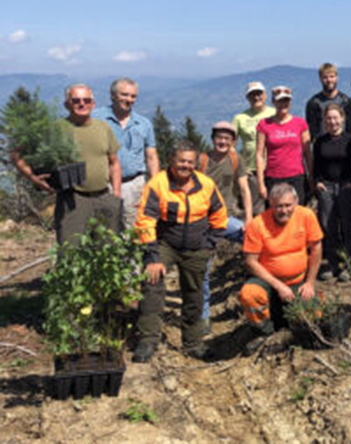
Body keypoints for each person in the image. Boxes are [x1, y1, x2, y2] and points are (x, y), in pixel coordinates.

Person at [133, 141, 228, 362]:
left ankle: (193, 343)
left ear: (195, 164)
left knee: (194, 293)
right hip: (165, 243)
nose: (185, 165)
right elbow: (145, 220)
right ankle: (148, 339)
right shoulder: (158, 184)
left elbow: (219, 215)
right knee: (152, 282)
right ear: (171, 161)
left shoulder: (206, 184)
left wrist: (209, 244)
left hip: (197, 246)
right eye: (181, 161)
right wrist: (152, 256)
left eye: (190, 162)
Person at [11, 84, 122, 244]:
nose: (82, 104)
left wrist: (116, 194)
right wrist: (33, 178)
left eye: (86, 100)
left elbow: (114, 162)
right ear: (66, 104)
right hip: (72, 200)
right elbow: (16, 154)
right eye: (76, 100)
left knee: (107, 250)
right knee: (70, 251)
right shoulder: (56, 129)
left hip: (104, 197)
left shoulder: (103, 128)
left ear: (93, 104)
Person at [238, 184, 324, 344]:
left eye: (288, 205)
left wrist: (310, 282)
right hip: (267, 280)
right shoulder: (258, 224)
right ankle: (263, 333)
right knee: (249, 295)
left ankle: (292, 327)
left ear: (296, 202)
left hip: (298, 281)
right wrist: (278, 286)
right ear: (271, 204)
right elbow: (250, 262)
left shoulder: (306, 216)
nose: (284, 210)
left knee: (316, 314)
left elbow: (316, 248)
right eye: (279, 206)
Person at [196, 122, 253, 333]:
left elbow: (245, 190)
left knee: (254, 240)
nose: (222, 142)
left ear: (233, 142)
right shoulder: (201, 160)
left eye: (227, 139)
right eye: (219, 138)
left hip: (225, 218)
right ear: (212, 139)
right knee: (203, 268)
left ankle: (257, 285)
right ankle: (203, 316)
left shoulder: (236, 160)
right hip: (202, 220)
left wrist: (249, 220)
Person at [92, 77, 159, 228]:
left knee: (133, 228)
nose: (129, 99)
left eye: (133, 96)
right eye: (124, 95)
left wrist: (154, 186)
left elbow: (151, 156)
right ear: (113, 95)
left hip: (134, 185)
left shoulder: (143, 123)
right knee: (105, 228)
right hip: (104, 184)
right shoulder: (96, 118)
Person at [313, 103, 351, 279]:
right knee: (328, 225)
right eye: (329, 118)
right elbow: (316, 164)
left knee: (348, 225)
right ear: (324, 120)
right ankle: (333, 264)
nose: (332, 121)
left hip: (346, 186)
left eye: (335, 117)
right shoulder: (320, 141)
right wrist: (317, 182)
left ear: (342, 118)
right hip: (326, 186)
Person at [255, 86, 312, 205]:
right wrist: (260, 183)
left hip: (297, 176)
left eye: (286, 101)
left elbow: (308, 153)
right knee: (274, 212)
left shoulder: (300, 123)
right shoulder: (264, 124)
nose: (283, 104)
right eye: (279, 101)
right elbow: (259, 155)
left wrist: (311, 176)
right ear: (273, 102)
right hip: (273, 177)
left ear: (290, 102)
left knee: (297, 211)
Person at [232, 81, 276, 215]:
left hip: (274, 167)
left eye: (259, 94)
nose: (256, 97)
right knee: (257, 209)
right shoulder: (240, 118)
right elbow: (231, 147)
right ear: (247, 98)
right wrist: (240, 167)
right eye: (252, 95)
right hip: (251, 170)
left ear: (265, 95)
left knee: (276, 206)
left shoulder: (275, 113)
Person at [305, 63, 351, 141]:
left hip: (344, 144)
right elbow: (312, 130)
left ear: (336, 78)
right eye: (325, 77)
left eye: (332, 76)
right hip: (322, 145)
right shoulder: (314, 103)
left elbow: (350, 128)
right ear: (320, 79)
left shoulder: (345, 101)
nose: (329, 80)